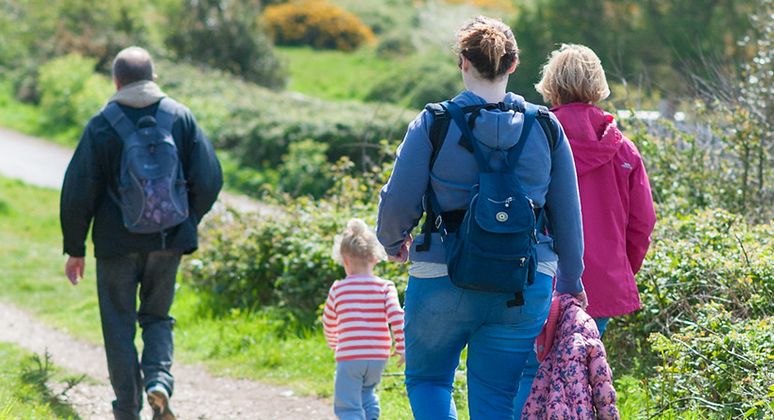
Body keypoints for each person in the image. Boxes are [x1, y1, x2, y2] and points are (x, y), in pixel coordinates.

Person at [376, 16, 586, 419]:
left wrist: (392, 242)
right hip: (524, 281)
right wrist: (573, 281)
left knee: (429, 380)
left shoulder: (434, 123)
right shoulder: (545, 126)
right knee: (496, 397)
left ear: (463, 63)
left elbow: (398, 199)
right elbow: (568, 215)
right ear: (513, 65)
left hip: (441, 273)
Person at [60, 46, 223, 420]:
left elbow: (77, 190)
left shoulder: (102, 123)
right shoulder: (180, 117)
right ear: (153, 78)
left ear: (116, 81)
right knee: (157, 317)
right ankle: (159, 382)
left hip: (116, 245)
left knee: (118, 325)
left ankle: (127, 410)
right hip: (168, 240)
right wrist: (184, 219)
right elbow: (211, 178)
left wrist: (75, 247)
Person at [535, 44, 656, 337]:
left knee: (529, 374)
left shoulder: (535, 139)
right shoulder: (624, 149)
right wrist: (620, 267)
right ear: (598, 85)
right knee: (579, 372)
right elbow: (643, 222)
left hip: (539, 277)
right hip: (600, 284)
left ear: (551, 85)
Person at [322, 218, 405, 420]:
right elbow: (397, 316)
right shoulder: (386, 287)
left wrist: (334, 342)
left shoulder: (338, 288)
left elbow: (328, 321)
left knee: (348, 405)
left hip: (350, 355)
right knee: (367, 395)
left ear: (345, 260)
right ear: (375, 258)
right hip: (378, 356)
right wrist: (402, 347)